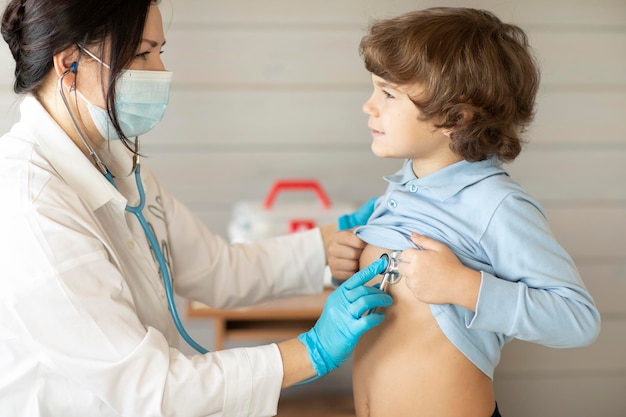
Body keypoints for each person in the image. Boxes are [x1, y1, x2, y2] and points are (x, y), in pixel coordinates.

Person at [0, 1, 393, 416]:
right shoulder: (30, 208)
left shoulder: (116, 167)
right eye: (141, 54)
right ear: (69, 63)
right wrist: (311, 351)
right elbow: (153, 388)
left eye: (160, 52)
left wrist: (330, 242)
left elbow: (219, 269)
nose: (158, 72)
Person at [328, 7, 602, 417]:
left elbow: (579, 321)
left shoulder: (496, 204)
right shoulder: (401, 191)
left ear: (456, 117)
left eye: (387, 93)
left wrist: (465, 287)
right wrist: (343, 265)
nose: (369, 106)